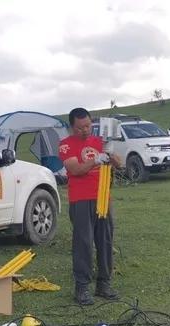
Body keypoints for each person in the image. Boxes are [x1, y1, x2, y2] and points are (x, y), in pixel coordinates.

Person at [59, 108, 122, 305]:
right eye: (80, 128)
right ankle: (82, 287)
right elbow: (75, 169)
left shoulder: (98, 141)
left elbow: (118, 165)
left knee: (105, 241)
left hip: (103, 197)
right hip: (81, 199)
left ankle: (104, 284)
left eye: (87, 126)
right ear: (72, 127)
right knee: (83, 243)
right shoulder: (66, 145)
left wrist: (110, 154)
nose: (85, 130)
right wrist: (95, 161)